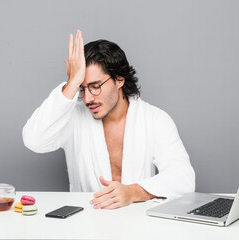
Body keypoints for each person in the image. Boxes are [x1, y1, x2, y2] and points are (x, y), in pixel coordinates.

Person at [22, 30, 195, 209]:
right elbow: (33, 140)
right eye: (82, 89)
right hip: (84, 225)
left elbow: (184, 178)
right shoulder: (73, 118)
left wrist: (132, 192)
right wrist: (72, 83)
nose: (88, 98)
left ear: (119, 80)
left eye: (95, 87)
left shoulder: (155, 120)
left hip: (139, 228)